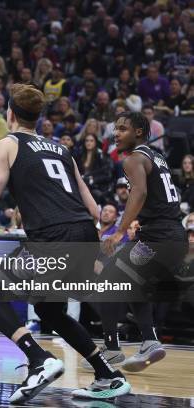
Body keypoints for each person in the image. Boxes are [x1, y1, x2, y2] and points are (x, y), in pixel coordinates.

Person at [0, 84, 131, 402]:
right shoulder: (61, 150)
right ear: (38, 117)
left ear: (10, 112)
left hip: (54, 236)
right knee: (49, 311)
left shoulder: (6, 145)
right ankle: (108, 374)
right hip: (84, 233)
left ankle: (39, 360)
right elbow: (93, 207)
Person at [99, 111, 188, 373]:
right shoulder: (156, 156)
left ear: (138, 132)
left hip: (159, 237)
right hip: (171, 236)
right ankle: (148, 340)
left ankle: (111, 349)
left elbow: (139, 193)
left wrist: (119, 231)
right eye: (115, 129)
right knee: (129, 283)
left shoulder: (133, 159)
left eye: (123, 129)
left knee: (107, 280)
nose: (116, 134)